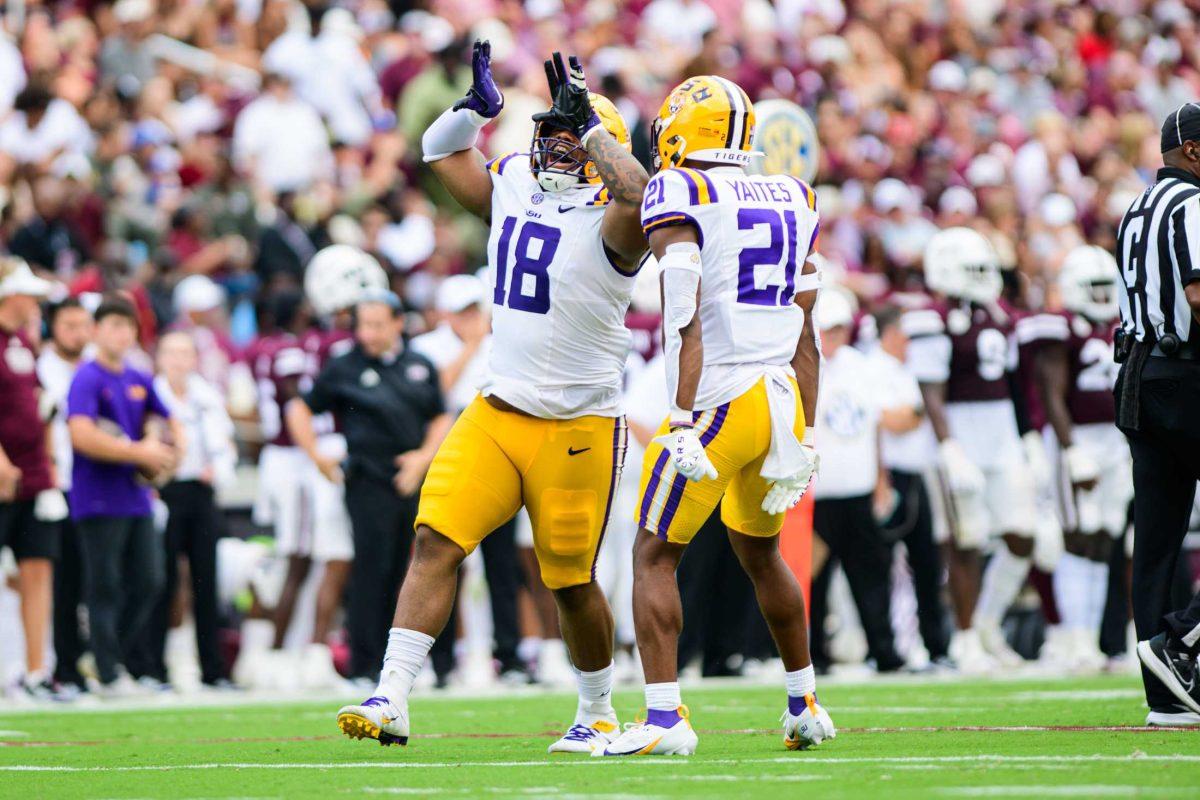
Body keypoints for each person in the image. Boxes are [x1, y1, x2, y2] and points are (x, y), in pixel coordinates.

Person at [336, 45, 648, 753]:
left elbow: (638, 193)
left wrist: (594, 126)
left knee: (568, 582)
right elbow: (436, 154)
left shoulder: (619, 221)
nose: (558, 148)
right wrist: (472, 112)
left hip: (579, 424)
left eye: (574, 138)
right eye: (555, 133)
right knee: (434, 539)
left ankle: (597, 710)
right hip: (499, 410)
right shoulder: (513, 182)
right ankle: (392, 694)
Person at [599, 75, 831, 757]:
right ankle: (804, 701)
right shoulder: (795, 193)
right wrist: (808, 431)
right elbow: (806, 331)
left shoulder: (681, 190)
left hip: (719, 401)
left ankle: (666, 719)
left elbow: (684, 316)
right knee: (761, 552)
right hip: (781, 401)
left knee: (653, 553)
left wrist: (678, 416)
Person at [289, 290, 451, 684]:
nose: (370, 333)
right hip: (367, 479)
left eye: (378, 324)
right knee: (371, 570)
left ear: (398, 323)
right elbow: (300, 407)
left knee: (422, 568)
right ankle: (364, 665)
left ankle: (429, 664)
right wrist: (315, 454)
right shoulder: (344, 366)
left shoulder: (419, 364)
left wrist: (423, 457)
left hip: (414, 478)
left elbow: (440, 415)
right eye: (364, 325)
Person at [907, 227, 1039, 671]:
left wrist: (1028, 437)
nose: (984, 277)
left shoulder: (1000, 314)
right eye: (974, 269)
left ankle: (986, 624)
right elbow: (931, 389)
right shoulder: (933, 316)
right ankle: (964, 636)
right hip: (960, 432)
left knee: (1023, 534)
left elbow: (1017, 384)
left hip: (1000, 432)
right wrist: (948, 446)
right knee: (966, 538)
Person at [1118, 105, 1200, 726]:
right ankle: (1182, 641)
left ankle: (1165, 698)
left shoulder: (1138, 205)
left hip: (1139, 376)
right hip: (1187, 373)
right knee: (1161, 536)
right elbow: (1199, 294)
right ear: (1193, 152)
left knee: (1157, 540)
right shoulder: (1192, 204)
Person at [411, 274, 530, 683]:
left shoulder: (504, 343)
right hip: (447, 461)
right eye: (461, 310)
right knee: (444, 560)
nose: (471, 317)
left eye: (474, 309)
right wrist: (472, 345)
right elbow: (431, 394)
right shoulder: (424, 348)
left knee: (502, 564)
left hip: (498, 461)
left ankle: (510, 657)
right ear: (445, 314)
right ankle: (441, 662)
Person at [66, 294, 181, 695]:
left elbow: (165, 419)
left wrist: (158, 442)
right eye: (113, 325)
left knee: (151, 580)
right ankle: (108, 669)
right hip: (97, 496)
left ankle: (106, 656)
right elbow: (80, 434)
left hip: (135, 497)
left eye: (128, 326)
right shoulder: (87, 376)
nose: (121, 333)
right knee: (105, 585)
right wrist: (138, 451)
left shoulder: (138, 377)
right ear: (96, 331)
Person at [1030, 246, 1127, 673]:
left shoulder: (1118, 327)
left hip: (1116, 439)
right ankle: (1076, 637)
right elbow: (1052, 393)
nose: (1104, 296)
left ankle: (1092, 638)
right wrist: (1070, 450)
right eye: (1096, 288)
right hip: (1078, 439)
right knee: (1077, 536)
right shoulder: (1061, 328)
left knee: (1106, 536)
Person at [808, 290, 904, 674]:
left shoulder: (861, 368)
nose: (835, 337)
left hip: (857, 490)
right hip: (817, 493)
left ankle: (885, 651)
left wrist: (881, 477)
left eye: (840, 329)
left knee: (871, 575)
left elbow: (875, 426)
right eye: (829, 330)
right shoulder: (804, 366)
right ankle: (814, 655)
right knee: (812, 581)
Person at [151, 331, 238, 689]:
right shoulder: (153, 394)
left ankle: (213, 669)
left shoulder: (205, 395)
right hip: (165, 492)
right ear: (160, 357)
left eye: (184, 353)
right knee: (162, 581)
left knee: (206, 581)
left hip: (201, 492)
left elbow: (226, 444)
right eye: (171, 352)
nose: (178, 360)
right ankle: (153, 667)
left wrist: (218, 471)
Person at [868, 305, 952, 669]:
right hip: (889, 475)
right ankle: (889, 647)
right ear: (888, 335)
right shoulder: (873, 369)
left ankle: (936, 646)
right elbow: (890, 421)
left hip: (916, 473)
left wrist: (913, 415)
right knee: (884, 565)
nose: (909, 343)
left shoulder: (904, 370)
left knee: (927, 563)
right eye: (904, 335)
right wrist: (918, 414)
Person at [0, 257, 63, 699]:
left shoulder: (24, 343)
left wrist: (51, 462)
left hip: (33, 475)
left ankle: (36, 671)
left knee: (38, 567)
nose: (36, 302)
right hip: (4, 474)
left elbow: (39, 407)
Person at [36, 297, 93, 694]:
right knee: (65, 580)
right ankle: (64, 666)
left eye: (82, 324)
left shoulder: (97, 366)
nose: (77, 333)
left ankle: (97, 660)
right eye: (68, 324)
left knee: (102, 578)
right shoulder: (40, 368)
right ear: (53, 327)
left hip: (98, 483)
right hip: (58, 483)